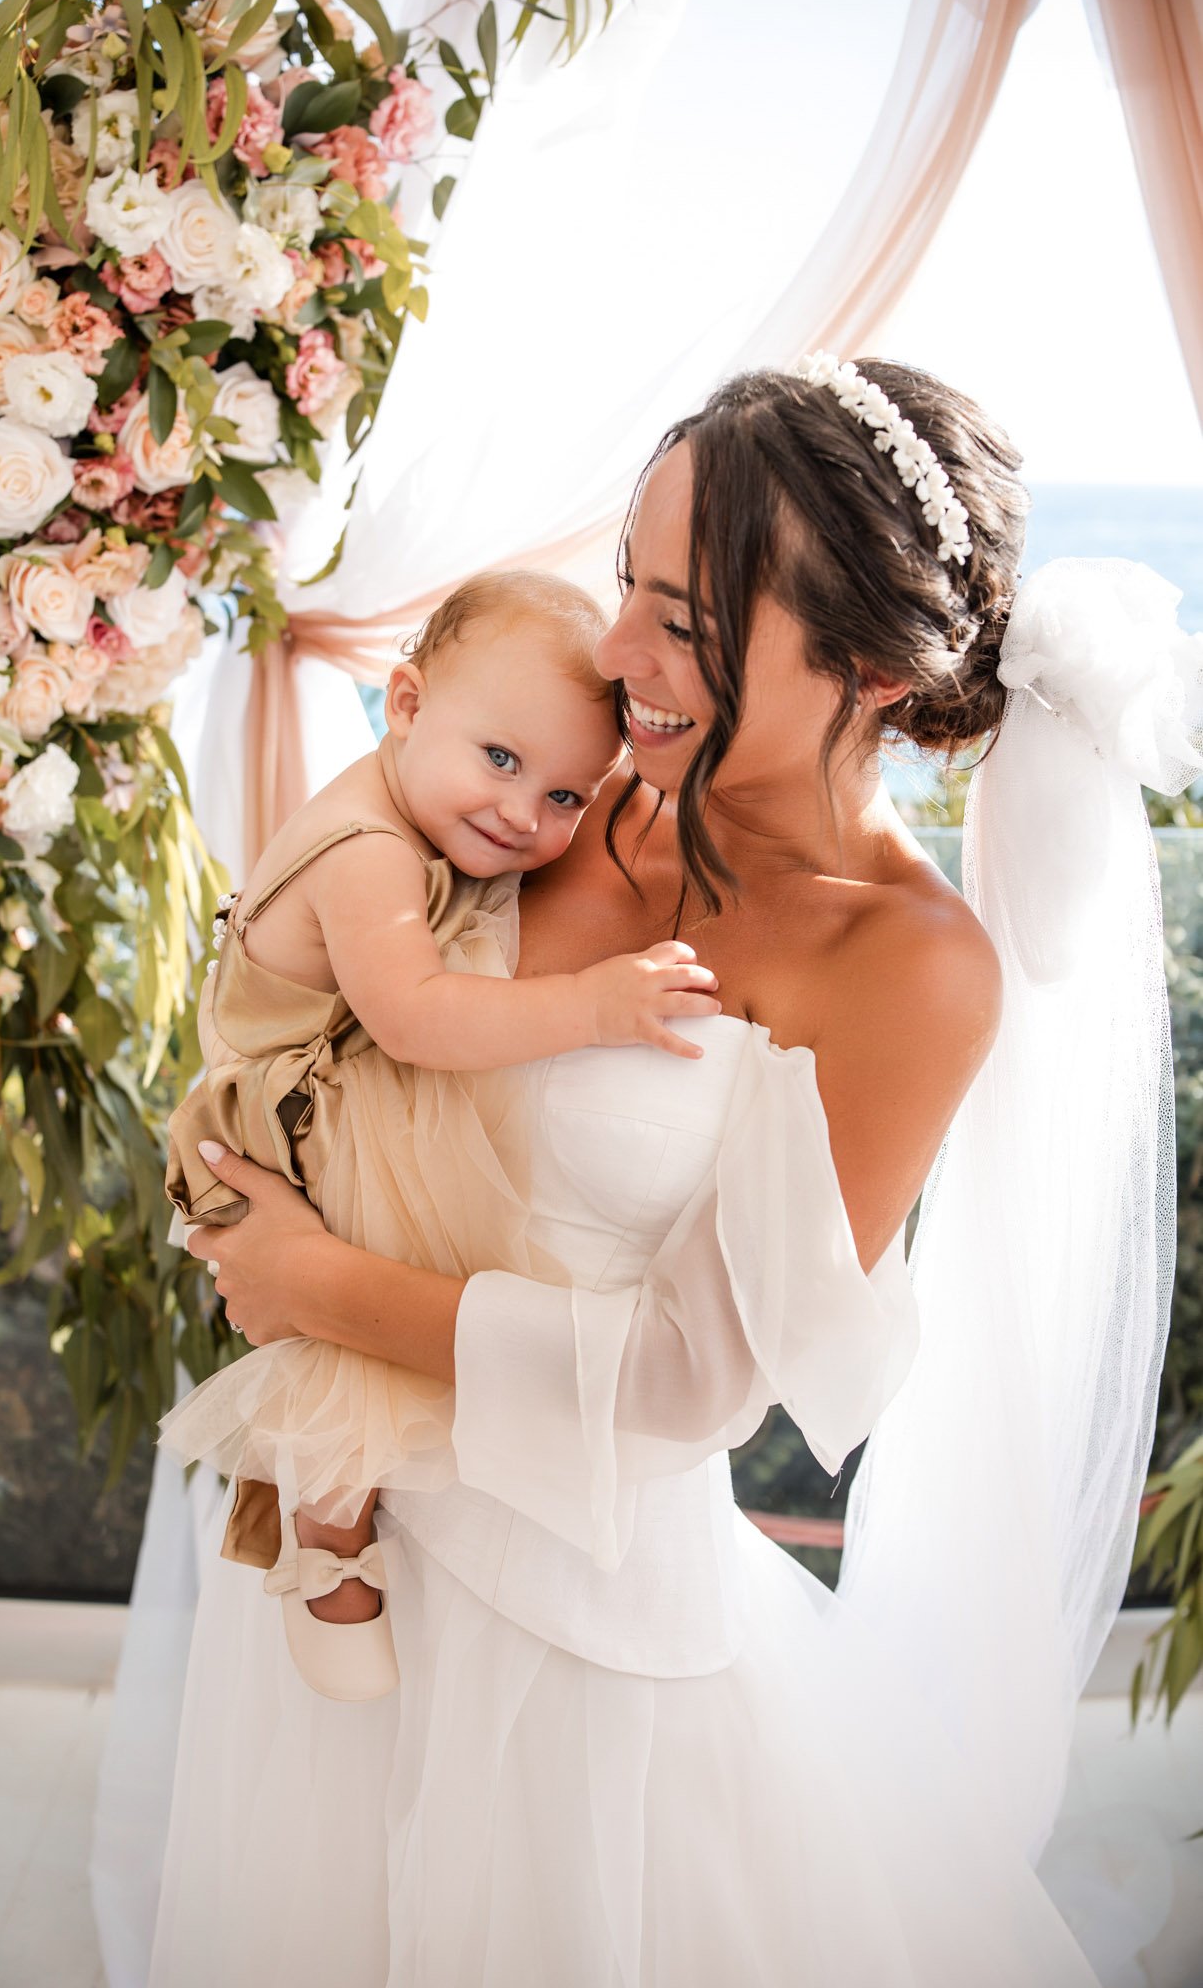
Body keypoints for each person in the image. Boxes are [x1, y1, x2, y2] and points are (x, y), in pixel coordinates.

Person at [146, 355, 1185, 1984]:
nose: (616, 655)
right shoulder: (571, 784)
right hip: (346, 1535)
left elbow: (698, 1379)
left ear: (865, 665)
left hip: (575, 1636)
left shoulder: (905, 970)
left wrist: (316, 1284)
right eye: (624, 585)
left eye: (683, 626)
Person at [157, 569, 719, 1701]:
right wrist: (596, 1005)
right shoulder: (364, 848)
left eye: (567, 796)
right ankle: (325, 1550)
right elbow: (414, 1016)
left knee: (385, 1317)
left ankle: (333, 1521)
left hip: (339, 1094)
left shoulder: (423, 807)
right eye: (501, 761)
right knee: (354, 1333)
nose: (523, 813)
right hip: (300, 1123)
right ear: (403, 702)